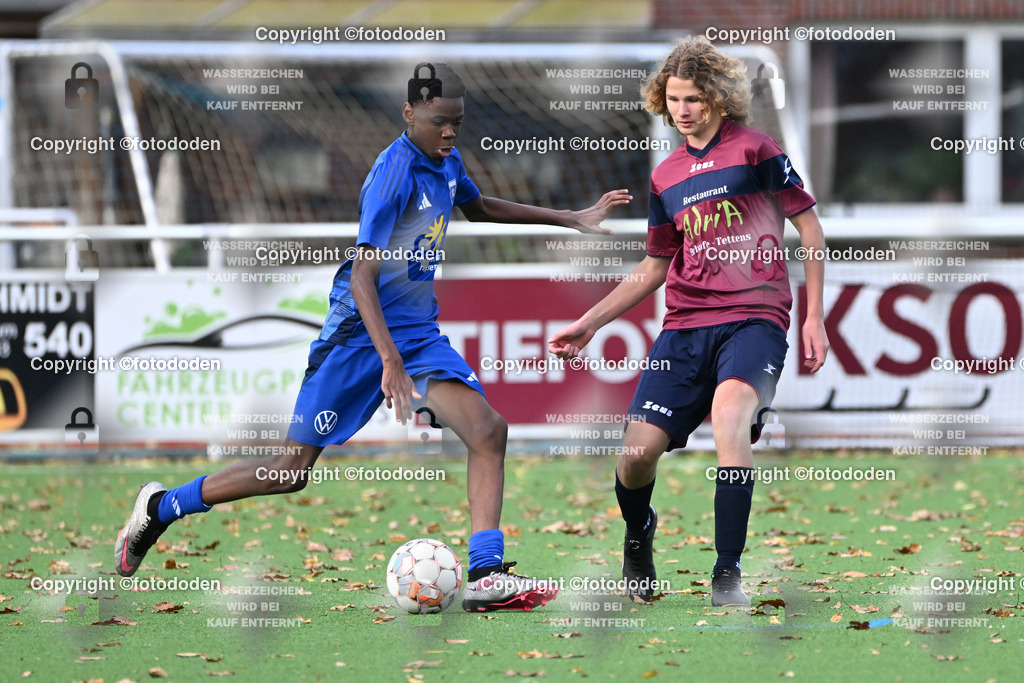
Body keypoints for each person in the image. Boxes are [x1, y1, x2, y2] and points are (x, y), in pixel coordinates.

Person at [115, 62, 631, 612]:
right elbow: (363, 276)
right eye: (439, 122)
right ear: (409, 114)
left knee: (488, 431)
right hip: (358, 335)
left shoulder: (446, 159)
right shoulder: (393, 174)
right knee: (288, 472)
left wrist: (570, 218)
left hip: (416, 331)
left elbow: (477, 208)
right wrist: (389, 361)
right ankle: (163, 505)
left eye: (457, 122)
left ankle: (483, 574)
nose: (450, 132)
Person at [548, 36, 828, 607]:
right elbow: (654, 266)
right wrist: (590, 322)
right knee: (634, 458)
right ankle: (637, 534)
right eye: (674, 98)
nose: (683, 109)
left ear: (720, 98)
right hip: (685, 327)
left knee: (729, 420)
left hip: (756, 317)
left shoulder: (757, 149)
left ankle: (727, 575)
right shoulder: (666, 175)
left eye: (695, 98)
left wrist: (814, 317)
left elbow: (812, 231)